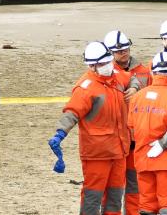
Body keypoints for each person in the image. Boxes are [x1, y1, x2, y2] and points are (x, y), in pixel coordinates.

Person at [48, 41, 131, 215]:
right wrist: (60, 133)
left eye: (108, 62)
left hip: (119, 152)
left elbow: (134, 78)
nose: (107, 66)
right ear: (92, 66)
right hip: (97, 155)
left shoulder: (116, 76)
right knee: (93, 197)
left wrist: (135, 87)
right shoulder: (85, 88)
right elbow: (72, 112)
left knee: (115, 197)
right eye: (102, 64)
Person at [128, 51, 167, 215]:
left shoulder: (138, 97)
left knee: (147, 205)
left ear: (152, 71)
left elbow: (132, 127)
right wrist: (163, 144)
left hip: (144, 159)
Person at [104, 29, 152, 215]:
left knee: (134, 185)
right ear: (109, 52)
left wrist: (138, 93)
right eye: (118, 51)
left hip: (136, 138)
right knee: (112, 187)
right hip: (114, 139)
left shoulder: (144, 72)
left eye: (125, 49)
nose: (123, 53)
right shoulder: (105, 73)